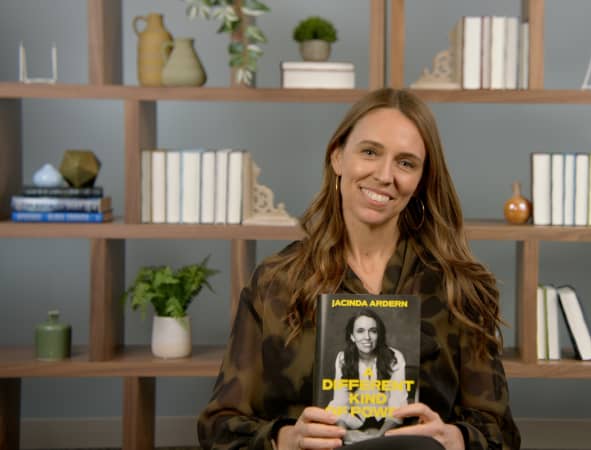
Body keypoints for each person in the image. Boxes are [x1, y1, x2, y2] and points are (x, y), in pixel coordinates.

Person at [197, 87, 521, 450]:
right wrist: (286, 439)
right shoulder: (276, 281)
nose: (385, 175)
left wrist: (455, 438)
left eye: (406, 163)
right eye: (370, 152)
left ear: (421, 180)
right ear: (338, 157)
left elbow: (501, 434)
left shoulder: (460, 286)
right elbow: (218, 426)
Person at [328, 310, 408, 444]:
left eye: (373, 331)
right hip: (354, 426)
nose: (367, 337)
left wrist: (379, 437)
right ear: (352, 336)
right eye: (360, 331)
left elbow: (397, 406)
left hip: (387, 427)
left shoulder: (394, 357)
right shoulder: (343, 358)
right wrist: (345, 435)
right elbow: (340, 404)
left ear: (379, 335)